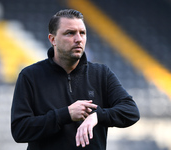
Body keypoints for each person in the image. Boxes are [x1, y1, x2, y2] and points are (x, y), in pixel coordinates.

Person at [11, 9, 140, 150]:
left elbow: (131, 111)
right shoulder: (30, 76)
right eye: (70, 33)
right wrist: (65, 114)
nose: (78, 39)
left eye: (82, 33)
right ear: (52, 39)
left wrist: (97, 116)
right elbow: (20, 130)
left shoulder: (102, 74)